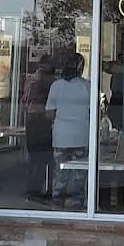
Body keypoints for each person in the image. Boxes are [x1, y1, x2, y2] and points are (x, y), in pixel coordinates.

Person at [45, 53, 91, 210]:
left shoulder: (56, 86)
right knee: (79, 173)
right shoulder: (87, 86)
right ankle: (77, 204)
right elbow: (95, 112)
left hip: (61, 136)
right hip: (81, 135)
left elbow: (49, 113)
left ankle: (57, 203)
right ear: (81, 68)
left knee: (60, 172)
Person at [22, 56, 54, 199]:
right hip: (39, 120)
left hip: (31, 120)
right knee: (42, 156)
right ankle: (36, 190)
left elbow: (25, 100)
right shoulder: (42, 81)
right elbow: (42, 104)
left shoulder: (30, 79)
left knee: (35, 157)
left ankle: (33, 188)